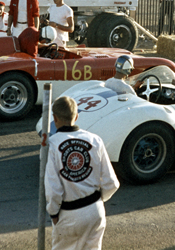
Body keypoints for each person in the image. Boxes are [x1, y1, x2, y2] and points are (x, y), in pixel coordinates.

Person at [45, 96, 120, 250]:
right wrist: (97, 201)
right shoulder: (95, 140)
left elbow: (53, 189)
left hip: (69, 214)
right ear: (77, 116)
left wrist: (53, 213)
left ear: (55, 118)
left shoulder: (52, 145)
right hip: (95, 210)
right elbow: (111, 182)